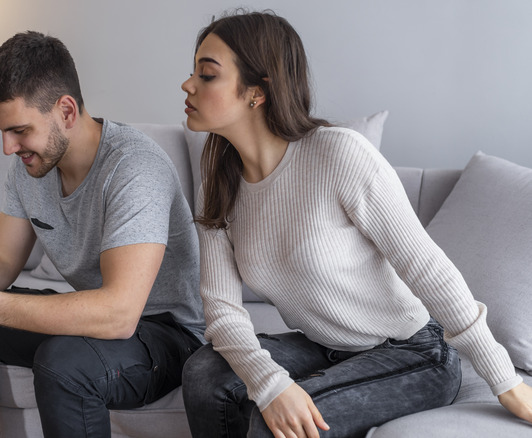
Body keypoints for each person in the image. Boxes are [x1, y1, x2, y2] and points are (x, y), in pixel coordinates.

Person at [179, 10, 532, 438]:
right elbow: (221, 310)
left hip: (412, 353)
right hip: (323, 348)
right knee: (204, 372)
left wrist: (506, 382)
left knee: (281, 427)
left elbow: (426, 266)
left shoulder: (338, 154)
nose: (188, 84)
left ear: (258, 90)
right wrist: (270, 384)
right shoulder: (218, 183)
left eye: (207, 74)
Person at [0, 31, 204, 438]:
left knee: (64, 360)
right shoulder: (32, 167)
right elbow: (0, 260)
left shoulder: (134, 168)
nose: (7, 148)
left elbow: (120, 314)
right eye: (1, 132)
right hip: (94, 322)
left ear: (66, 110)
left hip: (166, 334)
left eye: (19, 130)